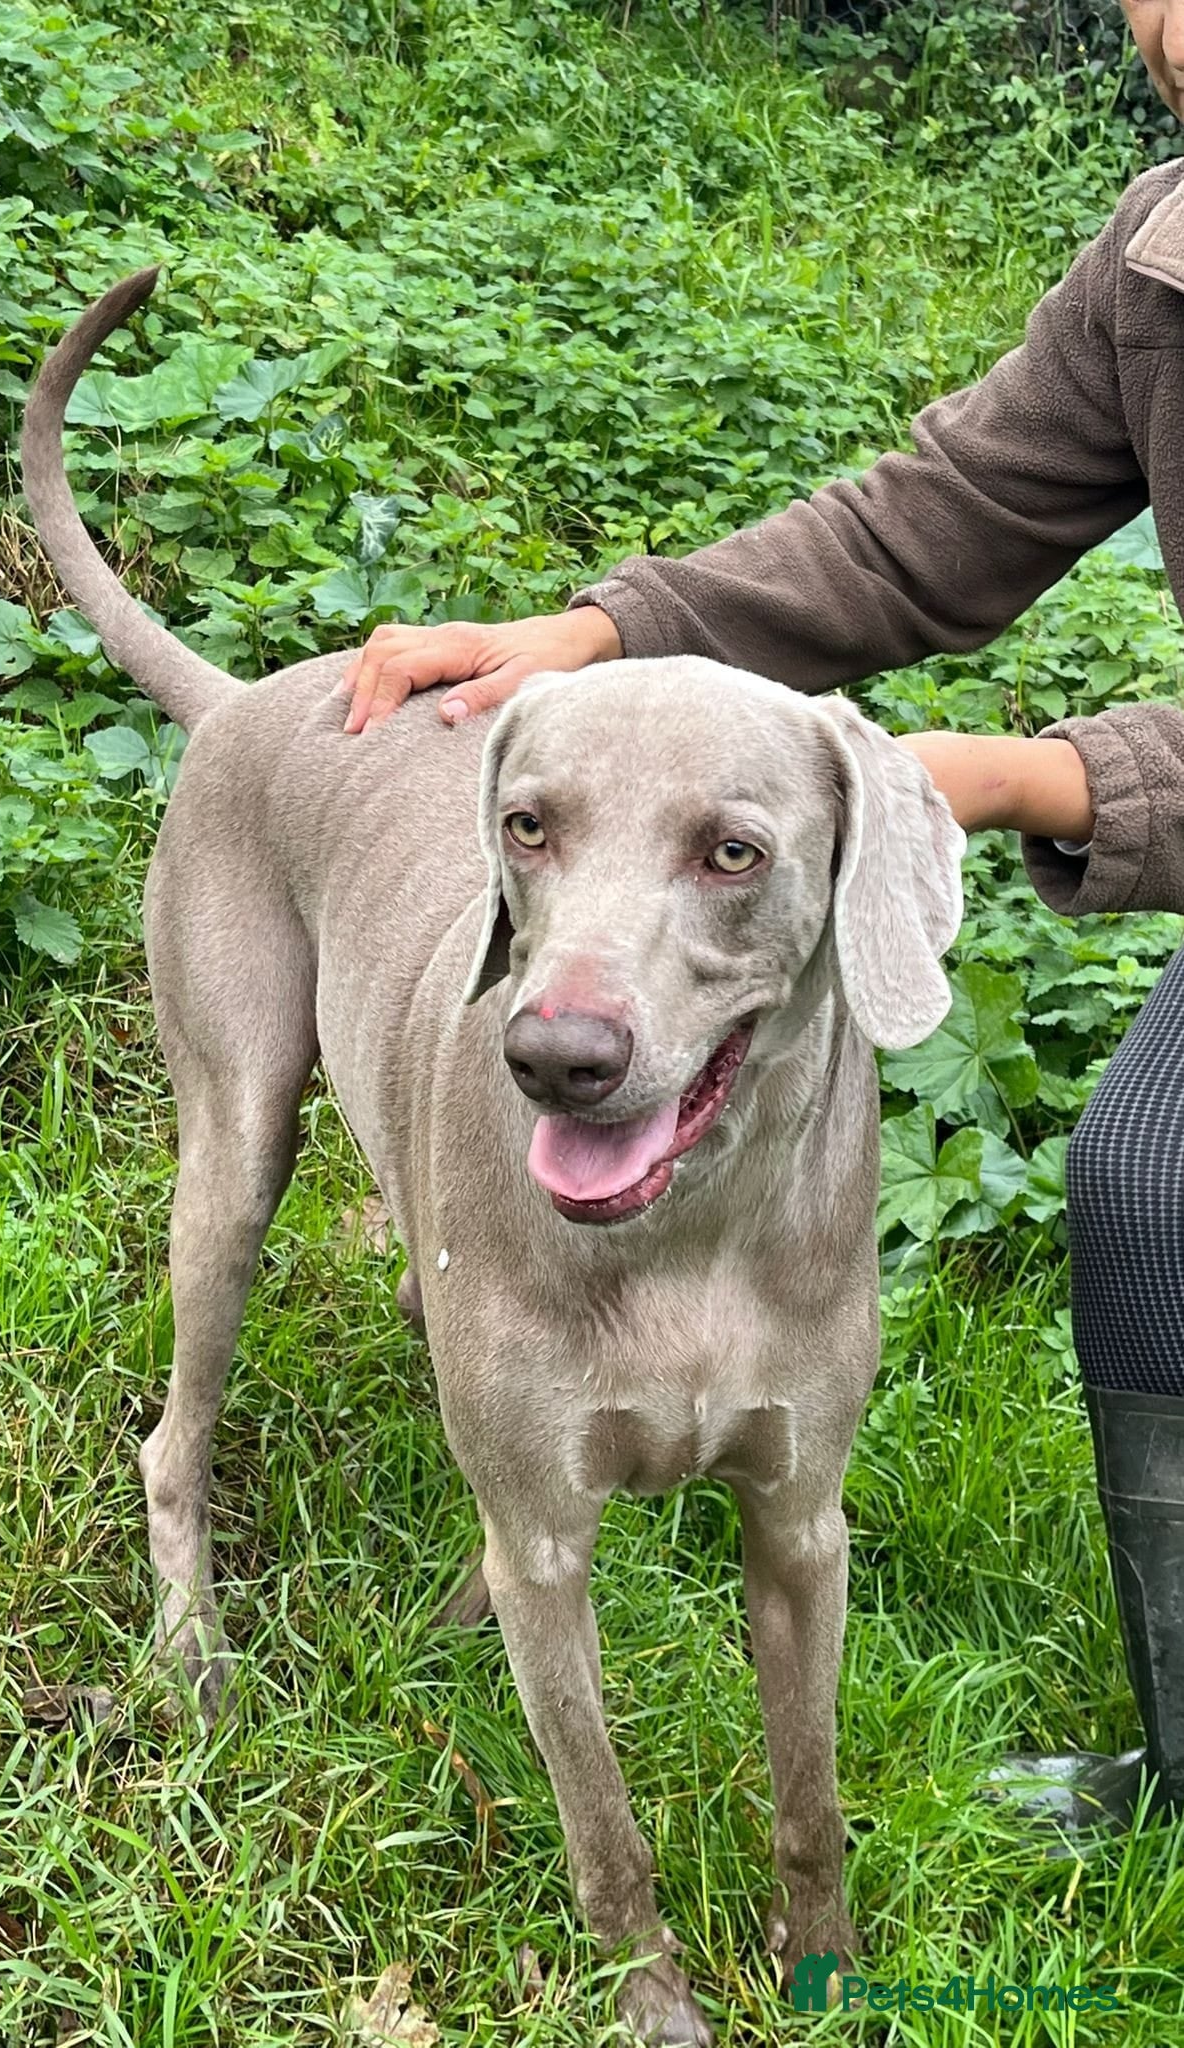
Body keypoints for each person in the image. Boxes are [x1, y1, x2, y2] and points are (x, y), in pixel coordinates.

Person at [340, 0, 1184, 1831]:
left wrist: (1018, 778)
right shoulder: (1162, 258)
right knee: (1145, 1184)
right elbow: (923, 527)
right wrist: (604, 634)